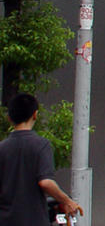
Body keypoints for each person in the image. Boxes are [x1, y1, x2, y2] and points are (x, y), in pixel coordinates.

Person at [0, 93, 82, 226]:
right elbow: (45, 182)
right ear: (35, 115)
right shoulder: (41, 145)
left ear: (9, 118)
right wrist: (67, 201)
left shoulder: (2, 148)